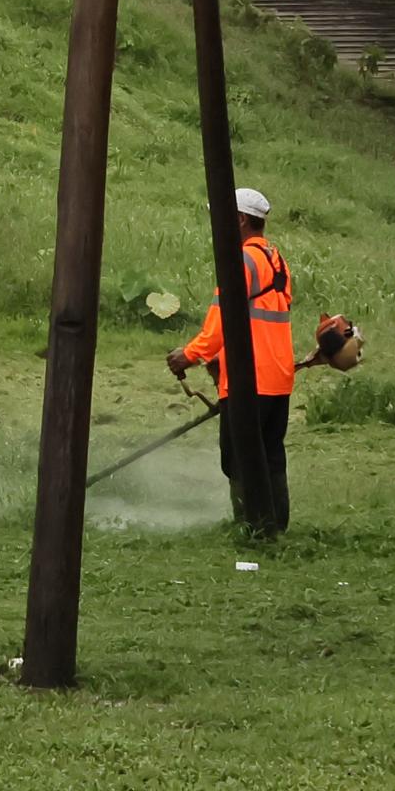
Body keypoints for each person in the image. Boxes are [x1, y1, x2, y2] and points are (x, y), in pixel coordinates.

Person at [170, 185, 297, 537]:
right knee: (270, 454)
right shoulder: (275, 260)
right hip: (277, 377)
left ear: (240, 219)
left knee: (238, 458)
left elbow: (222, 319)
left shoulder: (241, 260)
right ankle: (276, 527)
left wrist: (190, 355)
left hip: (248, 378)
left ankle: (251, 528)